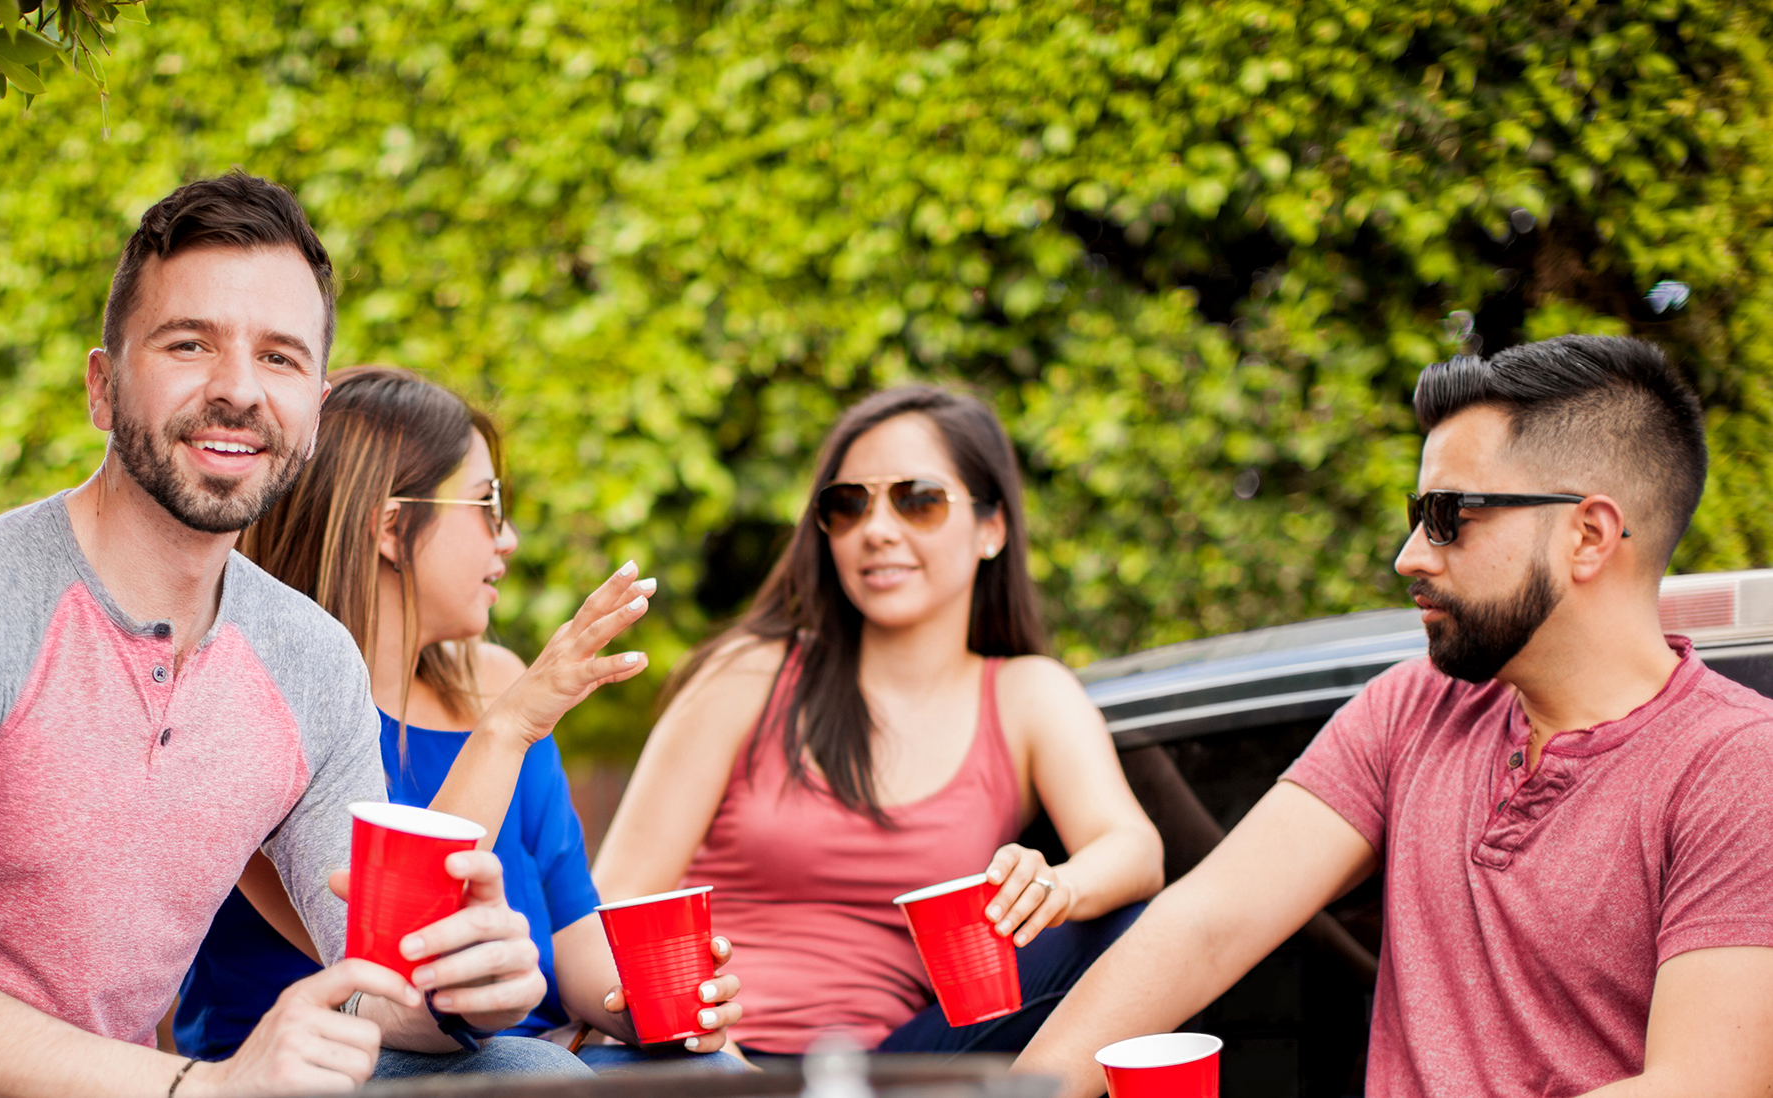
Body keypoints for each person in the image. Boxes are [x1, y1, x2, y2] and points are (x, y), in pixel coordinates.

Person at [0, 174, 579, 1098]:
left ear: (314, 412)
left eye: (279, 358)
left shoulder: (311, 661)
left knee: (528, 1068)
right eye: (190, 344)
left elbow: (373, 979)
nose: (237, 389)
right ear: (103, 387)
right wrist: (200, 1088)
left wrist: (461, 992)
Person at [1012, 335, 1773, 1098]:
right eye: (1418, 514)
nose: (1410, 554)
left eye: (1447, 515)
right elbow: (1205, 926)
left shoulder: (1739, 768)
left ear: (1589, 535)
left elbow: (1701, 1083)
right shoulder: (1412, 709)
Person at [173, 367, 746, 1072]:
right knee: (541, 1073)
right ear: (390, 527)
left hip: (524, 1058)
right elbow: (406, 950)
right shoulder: (252, 715)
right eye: (486, 505)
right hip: (326, 1065)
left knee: (713, 1072)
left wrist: (663, 1005)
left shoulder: (498, 686)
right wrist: (504, 734)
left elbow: (571, 931)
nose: (506, 541)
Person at [595, 385, 1164, 1057]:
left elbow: (1133, 848)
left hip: (882, 1068)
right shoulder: (750, 675)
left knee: (1136, 932)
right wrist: (716, 1056)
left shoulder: (1027, 696)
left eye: (918, 499)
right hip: (698, 1055)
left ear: (992, 528)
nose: (879, 529)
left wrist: (1055, 887)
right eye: (849, 504)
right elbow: (616, 900)